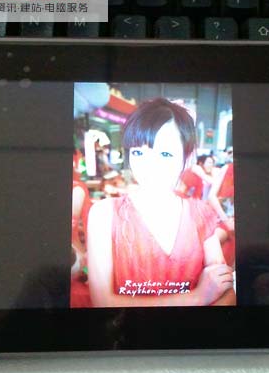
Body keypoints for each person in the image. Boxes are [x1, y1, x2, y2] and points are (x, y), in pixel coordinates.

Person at [86, 98, 235, 307]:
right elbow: (103, 302)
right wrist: (197, 297)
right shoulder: (104, 214)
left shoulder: (201, 215)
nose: (149, 165)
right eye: (138, 152)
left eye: (165, 153)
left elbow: (226, 294)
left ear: (187, 158)